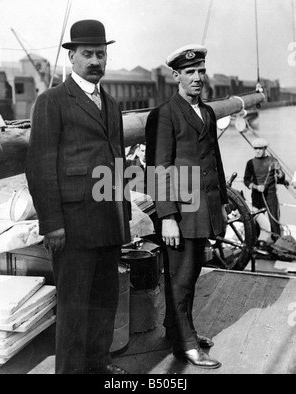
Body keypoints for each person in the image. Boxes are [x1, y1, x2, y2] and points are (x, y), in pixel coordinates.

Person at [26, 20, 131, 375]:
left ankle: (98, 365)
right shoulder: (51, 101)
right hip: (71, 226)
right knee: (73, 308)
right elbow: (40, 167)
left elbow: (118, 162)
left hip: (108, 223)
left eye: (101, 53)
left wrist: (124, 218)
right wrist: (52, 224)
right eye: (87, 54)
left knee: (104, 301)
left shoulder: (111, 104)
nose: (95, 60)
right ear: (72, 57)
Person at [145, 44, 228, 369]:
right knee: (180, 279)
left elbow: (214, 162)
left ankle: (176, 331)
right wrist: (166, 217)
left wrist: (220, 202)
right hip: (179, 212)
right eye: (190, 72)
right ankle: (187, 344)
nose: (197, 77)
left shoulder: (206, 112)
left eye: (200, 71)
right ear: (176, 76)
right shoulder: (164, 114)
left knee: (190, 274)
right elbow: (157, 170)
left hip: (203, 211)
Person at [244, 137, 288, 241]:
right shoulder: (250, 163)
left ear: (265, 149)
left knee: (274, 222)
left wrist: (280, 173)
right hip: (256, 197)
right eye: (255, 148)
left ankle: (277, 244)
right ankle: (257, 244)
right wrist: (256, 187)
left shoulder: (272, 161)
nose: (257, 151)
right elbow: (246, 181)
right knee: (257, 223)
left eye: (260, 148)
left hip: (270, 197)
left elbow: (281, 179)